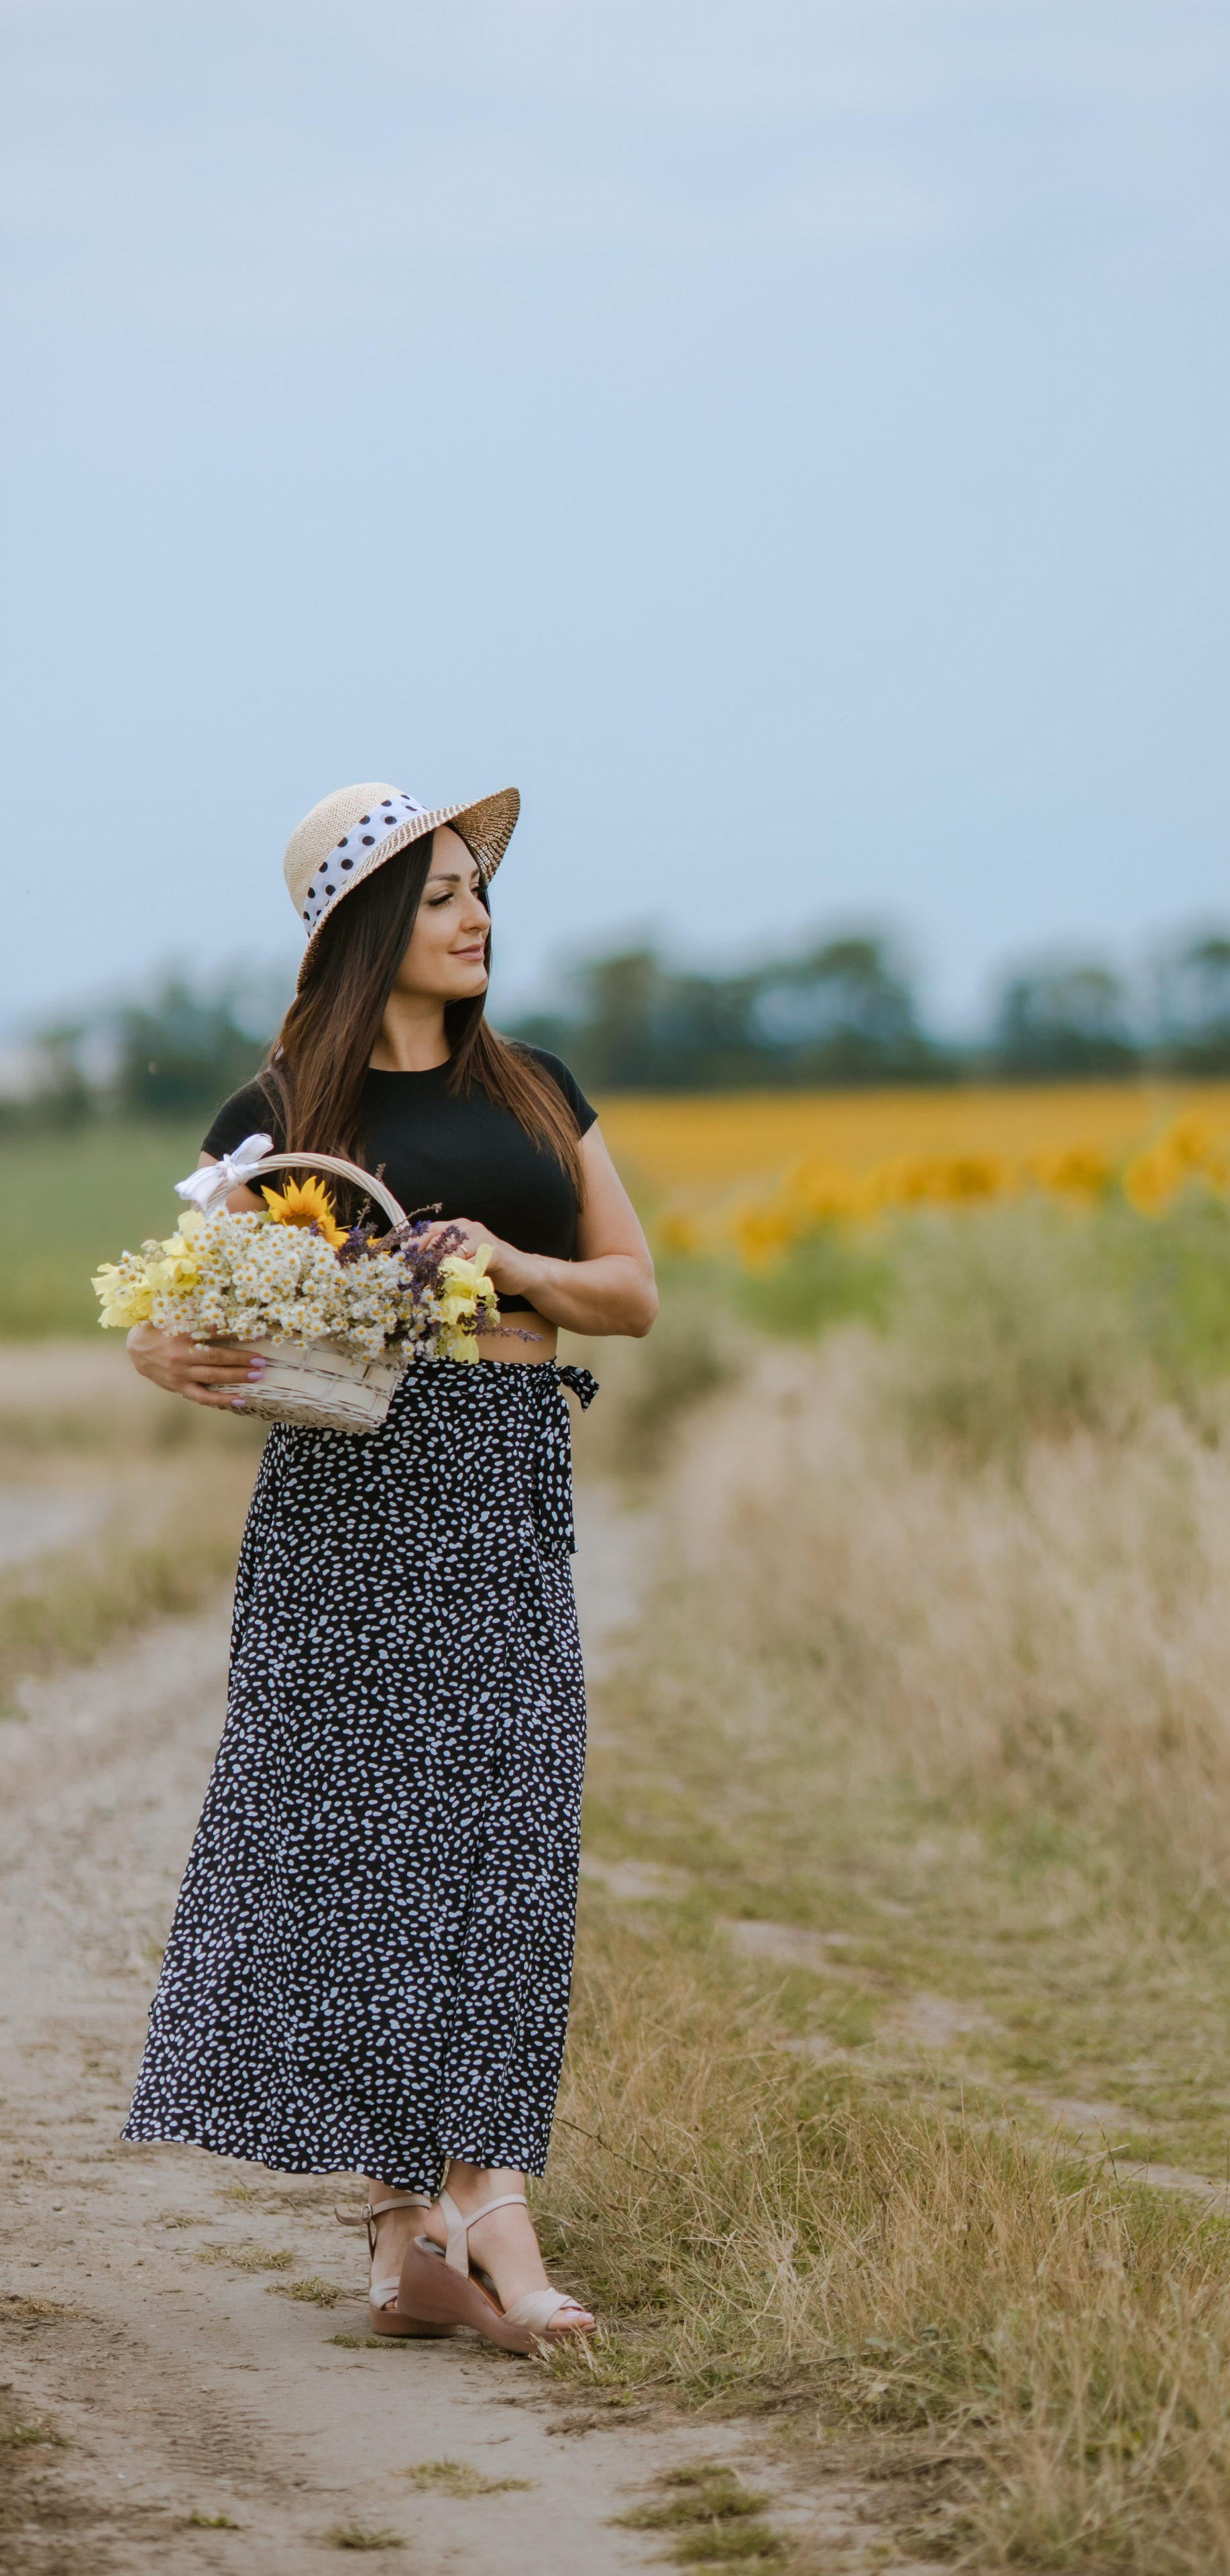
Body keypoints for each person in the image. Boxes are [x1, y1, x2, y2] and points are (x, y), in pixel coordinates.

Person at [121, 782, 657, 2351]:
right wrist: (161, 1347)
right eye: (438, 895)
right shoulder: (282, 1106)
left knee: (509, 1835)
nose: (476, 915)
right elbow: (183, 1301)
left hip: (502, 1481)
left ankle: (479, 2206)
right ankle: (409, 2226)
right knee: (359, 1859)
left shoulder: (537, 1088)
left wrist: (509, 1262)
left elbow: (630, 1293)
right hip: (344, 1505)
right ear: (367, 927)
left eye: (478, 888)